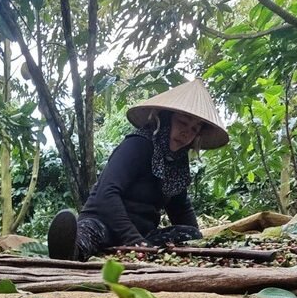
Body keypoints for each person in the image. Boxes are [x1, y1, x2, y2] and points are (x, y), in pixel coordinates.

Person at [47, 79, 229, 261]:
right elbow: (106, 193)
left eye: (194, 129)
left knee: (189, 234)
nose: (186, 133)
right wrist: (133, 240)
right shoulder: (137, 144)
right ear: (164, 119)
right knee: (88, 235)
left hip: (144, 235)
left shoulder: (177, 163)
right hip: (103, 222)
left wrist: (199, 244)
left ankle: (136, 247)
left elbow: (180, 208)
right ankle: (69, 250)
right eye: (182, 123)